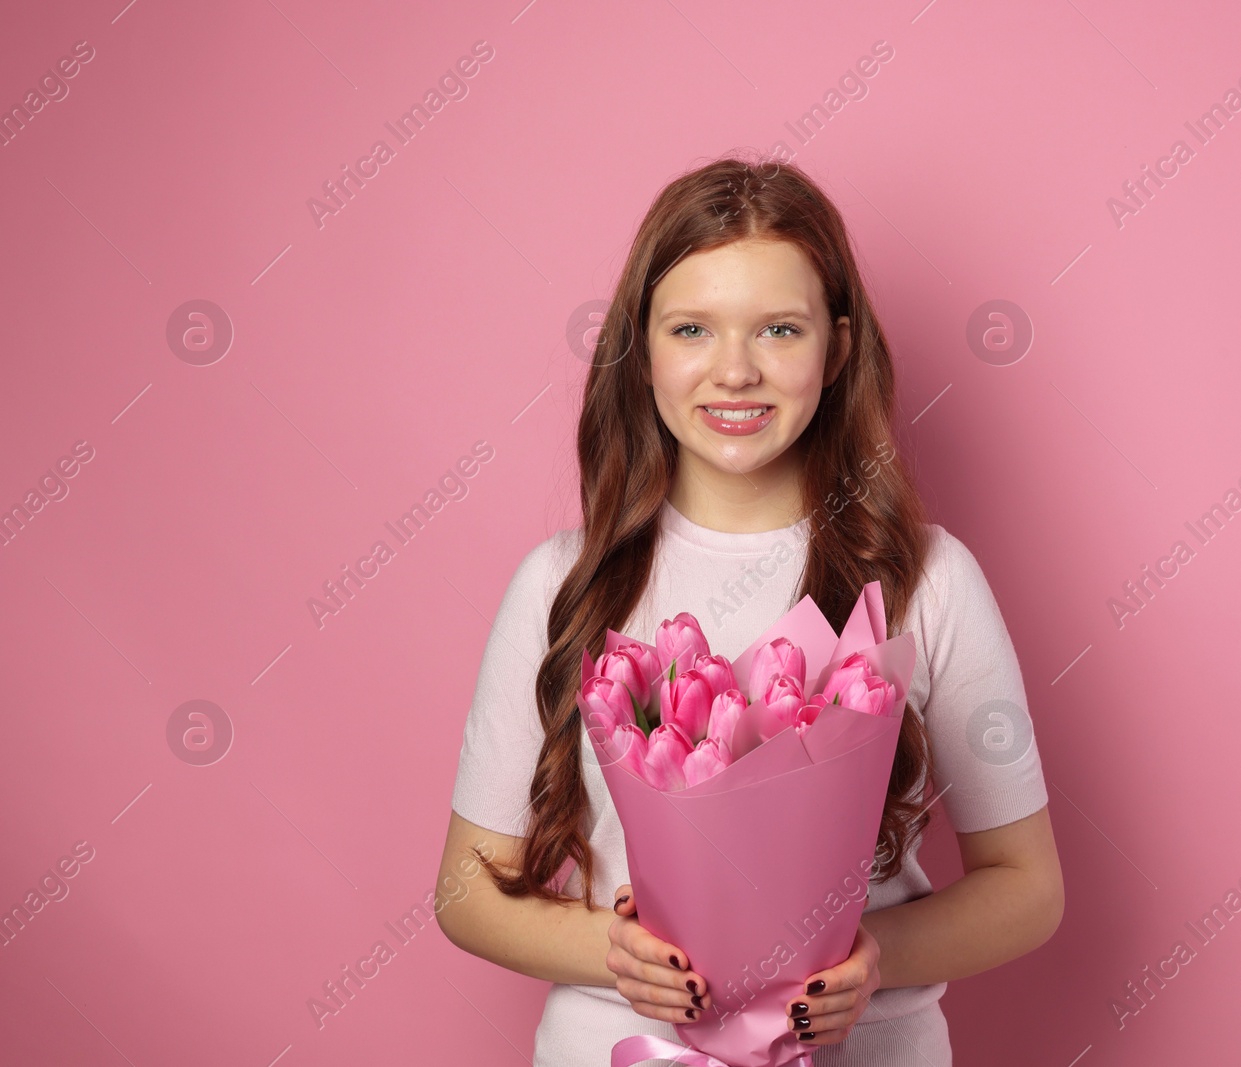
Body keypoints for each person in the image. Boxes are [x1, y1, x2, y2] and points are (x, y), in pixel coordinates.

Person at [435, 154, 1064, 1066]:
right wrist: (614, 954)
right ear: (642, 348)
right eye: (692, 328)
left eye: (778, 328)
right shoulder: (559, 585)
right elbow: (464, 889)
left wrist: (874, 960)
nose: (735, 371)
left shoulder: (930, 581)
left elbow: (1029, 886)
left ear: (837, 348)